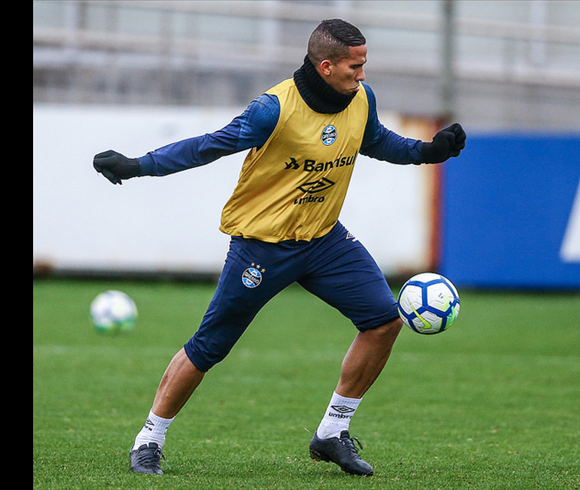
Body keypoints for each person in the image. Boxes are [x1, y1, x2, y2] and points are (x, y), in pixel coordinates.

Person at [93, 19, 466, 477]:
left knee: (384, 322)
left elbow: (378, 141)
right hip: (262, 247)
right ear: (326, 66)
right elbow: (208, 147)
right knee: (210, 347)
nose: (362, 75)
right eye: (355, 66)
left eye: (365, 64)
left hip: (326, 240)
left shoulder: (361, 99)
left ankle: (332, 432)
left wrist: (428, 151)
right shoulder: (273, 109)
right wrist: (137, 165)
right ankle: (148, 440)